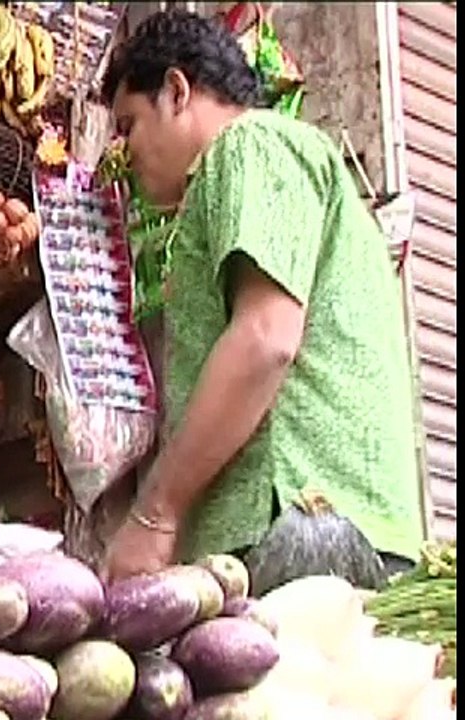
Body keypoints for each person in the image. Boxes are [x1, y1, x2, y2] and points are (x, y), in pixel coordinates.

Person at [98, 10, 423, 582]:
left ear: (176, 91)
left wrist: (154, 513)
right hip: (343, 525)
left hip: (302, 525)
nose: (124, 152)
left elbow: (265, 338)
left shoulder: (251, 145)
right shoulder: (283, 161)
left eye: (129, 125)